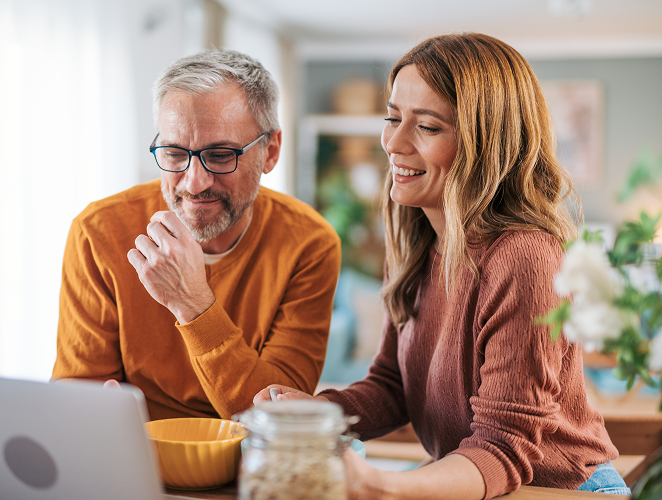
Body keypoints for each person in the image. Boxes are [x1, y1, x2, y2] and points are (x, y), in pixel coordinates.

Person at [254, 33, 630, 499]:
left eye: (427, 128)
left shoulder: (525, 257)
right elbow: (391, 387)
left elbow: (503, 448)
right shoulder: (416, 241)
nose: (393, 142)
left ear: (486, 144)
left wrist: (383, 485)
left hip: (562, 488)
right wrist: (315, 412)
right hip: (476, 481)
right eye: (392, 118)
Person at [52, 49, 341, 421]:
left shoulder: (308, 244)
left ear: (270, 151)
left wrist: (192, 304)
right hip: (134, 461)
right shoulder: (99, 232)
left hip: (248, 468)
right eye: (174, 153)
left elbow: (281, 418)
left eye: (220, 155)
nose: (195, 182)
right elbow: (77, 399)